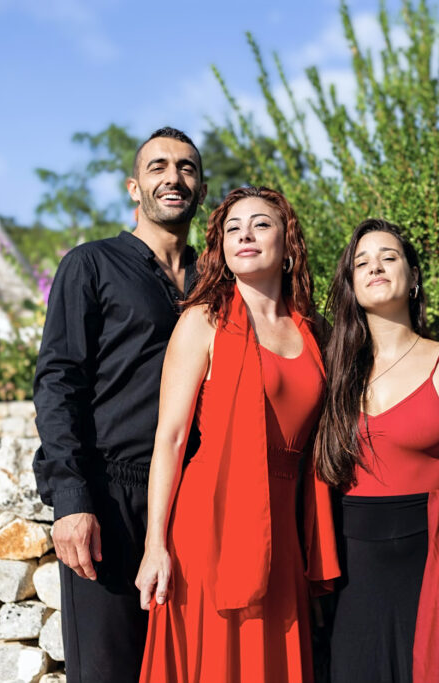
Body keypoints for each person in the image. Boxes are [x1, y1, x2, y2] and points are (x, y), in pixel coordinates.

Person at [135, 186, 340, 683]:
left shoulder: (314, 329)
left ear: (289, 244)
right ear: (220, 249)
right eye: (232, 227)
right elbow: (171, 439)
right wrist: (155, 545)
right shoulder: (202, 321)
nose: (245, 234)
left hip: (284, 524)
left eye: (261, 224)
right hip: (210, 523)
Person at [32, 127, 206, 682]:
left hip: (196, 497)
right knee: (108, 671)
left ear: (200, 187)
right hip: (110, 497)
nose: (172, 177)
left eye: (186, 167)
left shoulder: (218, 279)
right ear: (135, 187)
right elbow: (59, 381)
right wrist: (71, 498)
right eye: (158, 167)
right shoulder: (91, 265)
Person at [317, 220, 439, 683]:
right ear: (351, 284)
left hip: (429, 558)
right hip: (352, 572)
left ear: (413, 276)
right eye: (362, 262)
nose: (375, 267)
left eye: (388, 257)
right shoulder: (335, 373)